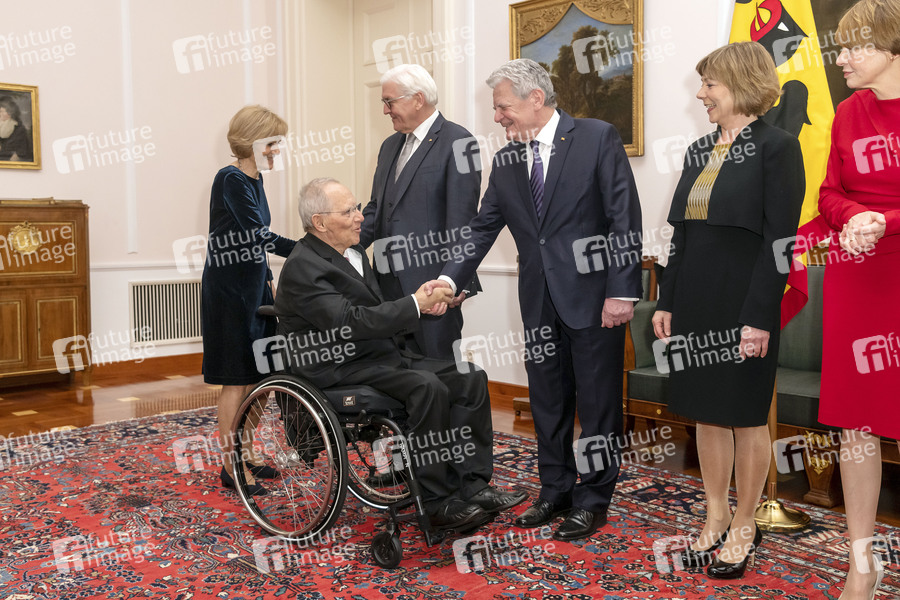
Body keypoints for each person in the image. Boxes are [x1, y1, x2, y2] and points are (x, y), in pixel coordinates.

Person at [438, 58, 643, 541]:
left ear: (535, 99)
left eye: (502, 106)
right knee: (547, 400)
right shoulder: (508, 160)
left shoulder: (596, 137)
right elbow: (482, 228)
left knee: (597, 405)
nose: (497, 117)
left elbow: (624, 218)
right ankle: (555, 490)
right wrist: (448, 279)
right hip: (539, 301)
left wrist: (621, 291)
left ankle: (593, 500)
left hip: (595, 300)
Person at [273, 177, 527, 532]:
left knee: (470, 378)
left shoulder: (354, 254)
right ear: (320, 222)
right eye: (349, 211)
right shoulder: (303, 266)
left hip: (377, 355)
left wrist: (423, 303)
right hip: (337, 366)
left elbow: (376, 310)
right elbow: (350, 322)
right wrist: (413, 305)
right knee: (427, 388)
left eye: (357, 207)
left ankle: (473, 486)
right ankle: (437, 502)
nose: (360, 216)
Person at [651, 42, 805, 579]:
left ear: (740, 84)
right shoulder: (699, 149)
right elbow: (681, 236)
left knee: (744, 414)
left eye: (710, 84)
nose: (701, 94)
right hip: (695, 300)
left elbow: (780, 242)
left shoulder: (778, 147)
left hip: (745, 303)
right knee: (706, 410)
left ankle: (744, 523)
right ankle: (715, 514)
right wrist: (667, 301)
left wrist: (759, 317)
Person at [815, 1, 900, 598]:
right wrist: (854, 217)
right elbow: (828, 193)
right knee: (856, 425)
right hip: (858, 271)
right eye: (840, 45)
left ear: (892, 48)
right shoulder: (848, 111)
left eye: (855, 46)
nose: (841, 57)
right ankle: (861, 562)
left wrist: (883, 221)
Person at [201, 105, 296, 497]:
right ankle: (231, 464)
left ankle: (247, 451)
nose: (277, 150)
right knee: (237, 378)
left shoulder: (255, 179)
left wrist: (268, 278)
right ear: (254, 141)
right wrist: (308, 249)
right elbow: (258, 235)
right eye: (273, 143)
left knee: (263, 376)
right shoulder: (230, 178)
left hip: (255, 287)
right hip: (229, 292)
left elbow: (255, 244)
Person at [360, 63, 482, 360]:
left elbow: (463, 221)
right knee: (395, 373)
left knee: (440, 372)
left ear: (417, 99)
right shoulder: (389, 146)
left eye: (389, 101)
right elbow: (377, 208)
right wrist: (336, 245)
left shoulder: (459, 142)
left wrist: (455, 281)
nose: (385, 110)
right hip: (386, 289)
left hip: (432, 288)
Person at [0, 96, 33, 162]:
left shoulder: (19, 128)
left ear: (10, 113)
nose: (0, 114)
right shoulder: (1, 125)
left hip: (11, 160)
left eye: (2, 111)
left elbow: (22, 151)